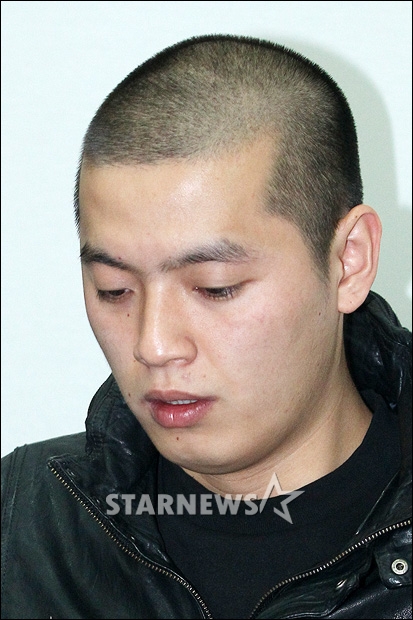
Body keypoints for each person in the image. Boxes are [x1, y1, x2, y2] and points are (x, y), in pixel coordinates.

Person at [1, 34, 411, 620]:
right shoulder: (21, 526)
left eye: (215, 287)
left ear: (349, 261)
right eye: (114, 289)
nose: (153, 346)